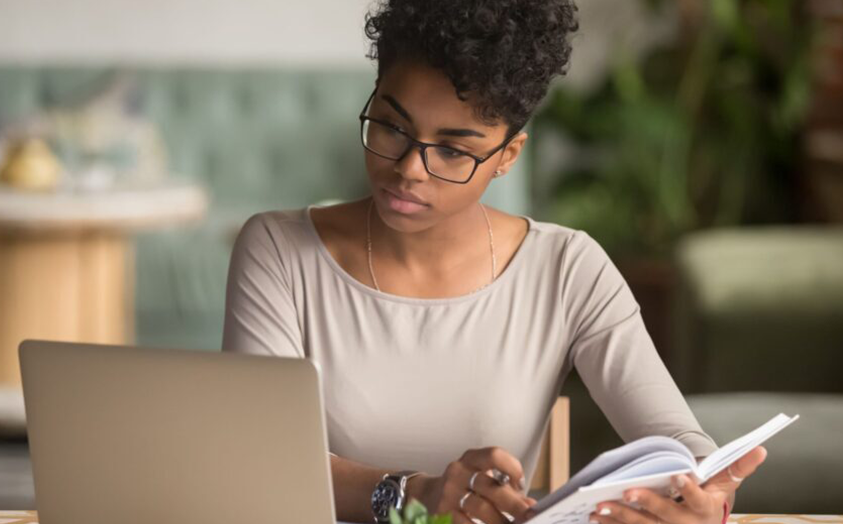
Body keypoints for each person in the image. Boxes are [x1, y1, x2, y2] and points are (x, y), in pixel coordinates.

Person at [221, 1, 767, 523]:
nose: (410, 168)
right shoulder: (278, 251)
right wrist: (413, 496)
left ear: (508, 155)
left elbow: (679, 442)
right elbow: (255, 461)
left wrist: (707, 499)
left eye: (453, 150)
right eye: (391, 127)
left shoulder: (566, 269)